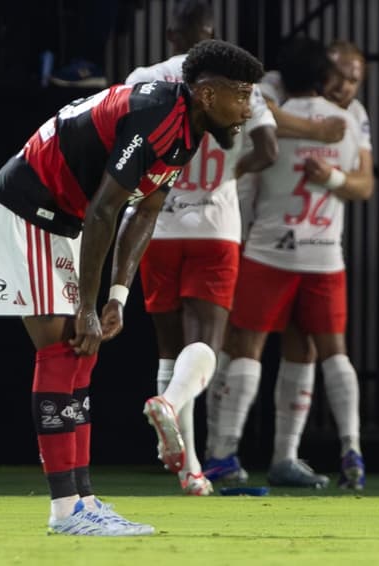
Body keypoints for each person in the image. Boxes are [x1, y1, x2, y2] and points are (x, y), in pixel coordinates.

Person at [0, 38, 264, 535]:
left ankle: (84, 501)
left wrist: (116, 297)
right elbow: (105, 209)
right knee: (63, 351)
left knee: (80, 353)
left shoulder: (189, 128)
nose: (247, 107)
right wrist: (89, 306)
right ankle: (67, 510)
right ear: (206, 94)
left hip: (61, 217)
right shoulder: (156, 113)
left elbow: (145, 210)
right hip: (28, 206)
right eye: (240, 94)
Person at [122, 0, 277, 496]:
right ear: (210, 35)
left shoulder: (147, 76)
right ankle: (172, 410)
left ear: (170, 35)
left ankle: (188, 469)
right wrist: (231, 174)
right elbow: (269, 147)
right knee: (205, 345)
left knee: (170, 347)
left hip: (158, 223)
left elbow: (125, 140)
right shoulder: (232, 81)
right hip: (214, 223)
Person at [204, 37, 374, 489]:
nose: (345, 85)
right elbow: (364, 183)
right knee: (325, 350)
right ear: (325, 77)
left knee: (245, 347)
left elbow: (248, 168)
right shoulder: (347, 122)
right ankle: (349, 449)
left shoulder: (265, 117)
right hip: (324, 253)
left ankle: (223, 452)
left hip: (267, 248)